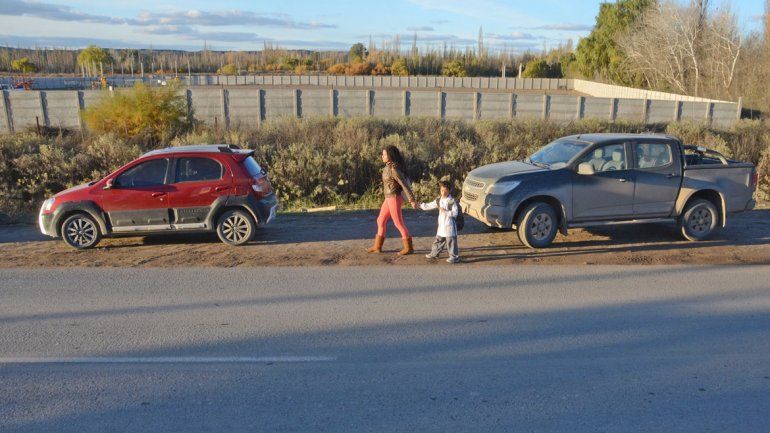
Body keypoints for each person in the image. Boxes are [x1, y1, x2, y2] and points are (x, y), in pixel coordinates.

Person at [366, 145, 418, 255]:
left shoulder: (394, 169)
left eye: (384, 154)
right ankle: (377, 246)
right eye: (383, 154)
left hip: (394, 198)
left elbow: (404, 186)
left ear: (390, 156)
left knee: (398, 223)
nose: (382, 156)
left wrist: (412, 200)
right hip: (388, 198)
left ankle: (409, 247)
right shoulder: (386, 168)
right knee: (380, 220)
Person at [419, 180, 460, 263]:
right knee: (438, 241)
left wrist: (445, 211)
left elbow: (455, 213)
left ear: (449, 191)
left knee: (451, 242)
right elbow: (429, 205)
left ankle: (454, 257)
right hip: (441, 226)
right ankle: (434, 254)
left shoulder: (451, 201)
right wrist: (420, 205)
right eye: (442, 190)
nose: (443, 192)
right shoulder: (438, 200)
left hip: (449, 225)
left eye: (445, 191)